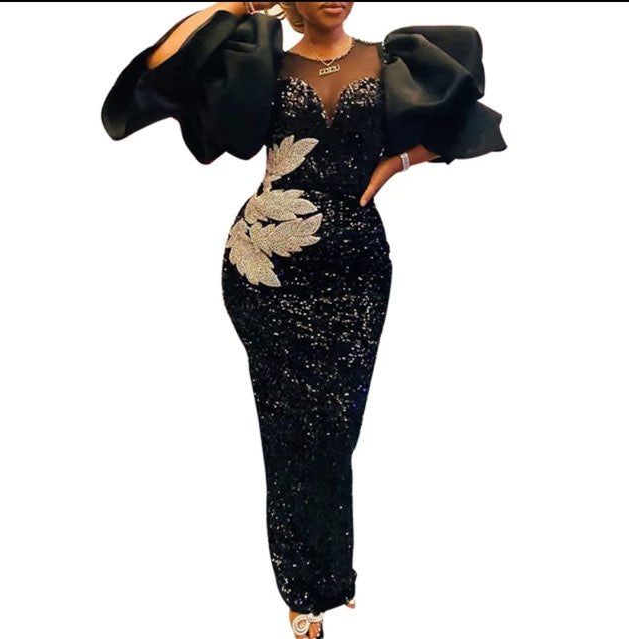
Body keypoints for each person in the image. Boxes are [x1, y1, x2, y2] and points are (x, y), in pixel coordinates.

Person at [100, 2, 507, 637]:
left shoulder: (393, 58)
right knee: (290, 427)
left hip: (356, 270)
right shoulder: (262, 63)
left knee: (335, 425)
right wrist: (236, 5)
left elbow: (461, 115)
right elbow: (163, 68)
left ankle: (325, 571)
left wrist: (399, 162)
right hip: (267, 266)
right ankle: (304, 591)